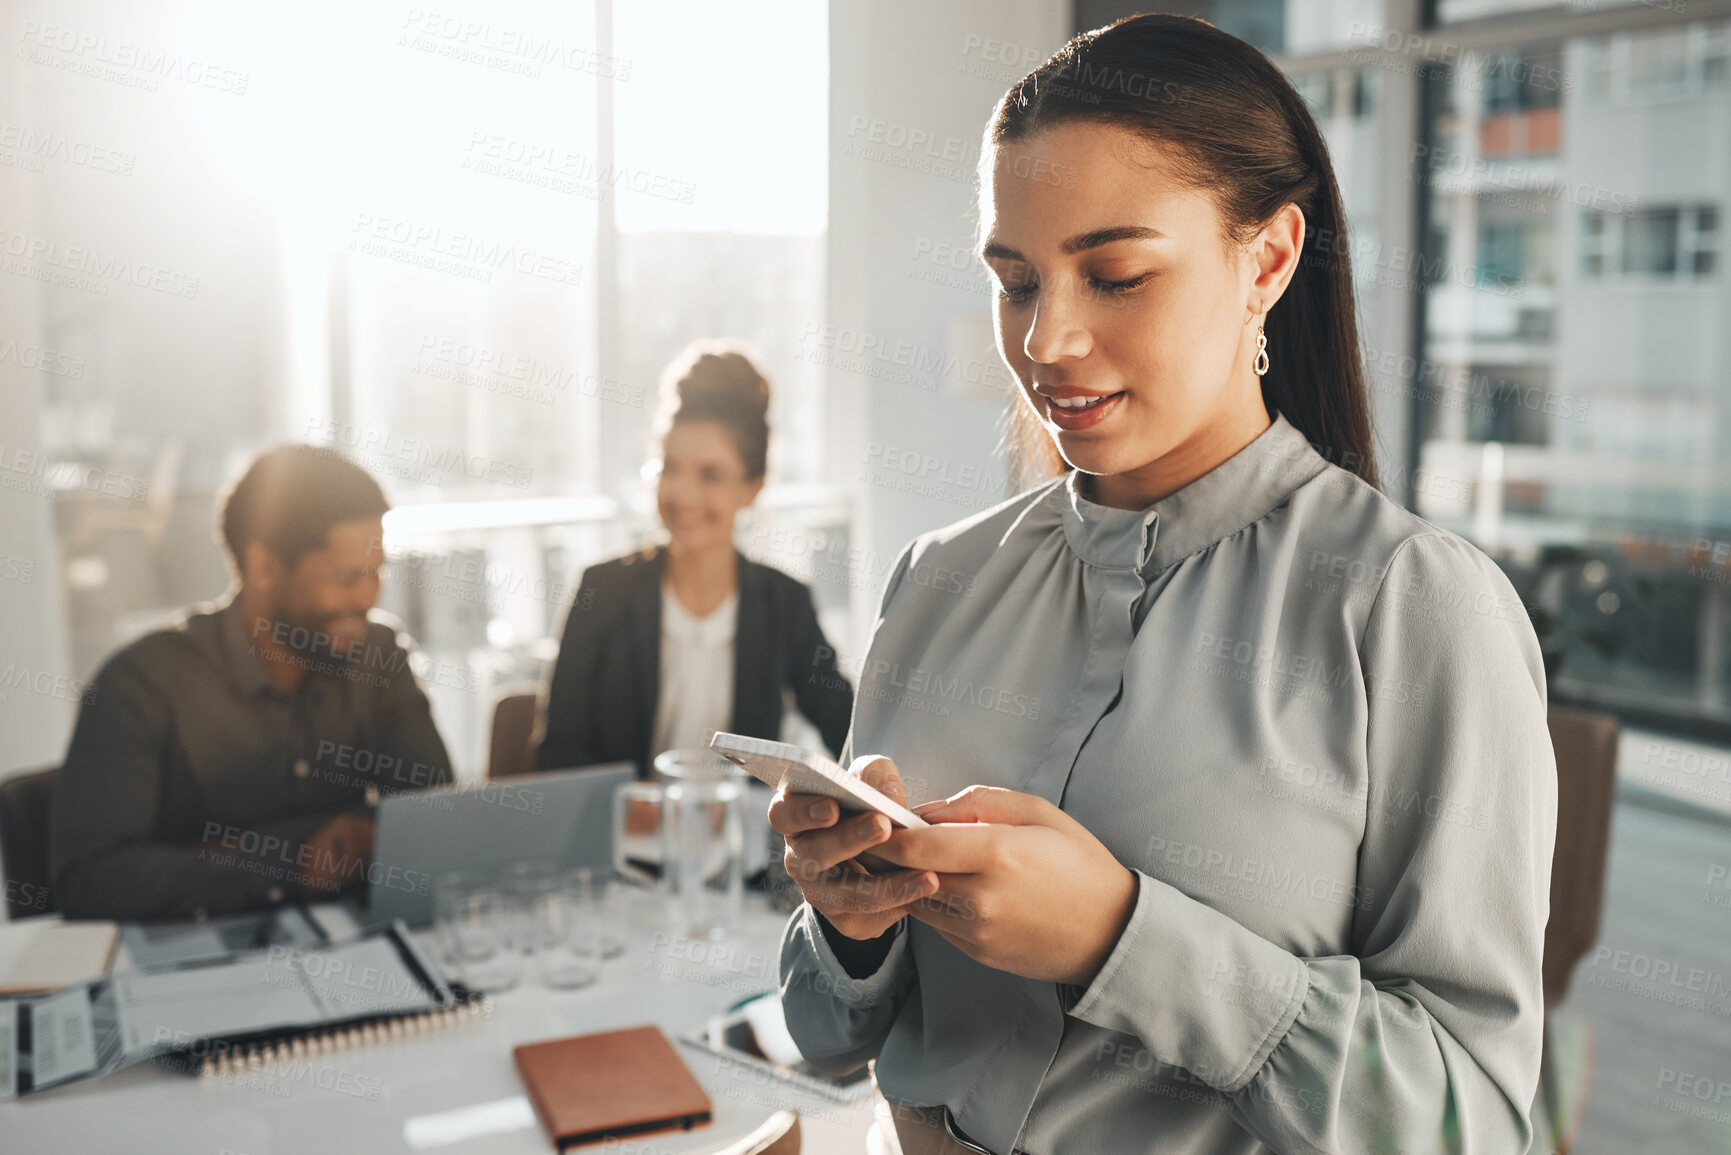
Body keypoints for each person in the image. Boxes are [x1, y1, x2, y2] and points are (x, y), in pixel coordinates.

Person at [772, 15, 1556, 1155]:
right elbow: (824, 1036)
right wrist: (846, 928)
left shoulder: (1413, 609)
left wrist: (1120, 940)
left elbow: (1465, 1123)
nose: (1047, 338)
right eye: (1015, 281)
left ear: (1269, 261)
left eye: (1116, 275)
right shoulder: (936, 580)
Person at [50, 446, 454, 921]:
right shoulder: (141, 687)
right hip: (185, 969)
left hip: (350, 952)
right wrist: (293, 859)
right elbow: (87, 879)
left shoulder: (379, 655)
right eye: (348, 577)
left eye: (377, 573)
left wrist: (220, 854)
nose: (368, 597)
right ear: (263, 567)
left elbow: (438, 817)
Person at [536, 341, 853, 776]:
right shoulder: (601, 591)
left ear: (753, 487)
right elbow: (558, 753)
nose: (684, 494)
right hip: (621, 838)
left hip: (738, 838)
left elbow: (851, 733)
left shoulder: (785, 603)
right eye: (671, 468)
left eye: (710, 475)